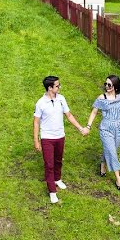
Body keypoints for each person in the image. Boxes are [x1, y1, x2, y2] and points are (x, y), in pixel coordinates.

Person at [34, 75, 88, 204]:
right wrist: (36, 140)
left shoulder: (61, 99)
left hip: (60, 136)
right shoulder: (40, 103)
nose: (60, 87)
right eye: (57, 85)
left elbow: (68, 115)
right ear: (50, 87)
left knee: (58, 160)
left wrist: (80, 128)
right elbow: (36, 122)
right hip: (47, 138)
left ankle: (57, 179)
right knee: (49, 164)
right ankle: (52, 191)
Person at [85, 74, 120, 190]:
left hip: (118, 128)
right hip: (105, 129)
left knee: (110, 150)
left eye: (109, 84)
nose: (107, 86)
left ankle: (103, 164)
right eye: (106, 84)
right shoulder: (102, 98)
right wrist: (88, 126)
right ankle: (118, 178)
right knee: (112, 152)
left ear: (115, 86)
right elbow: (94, 112)